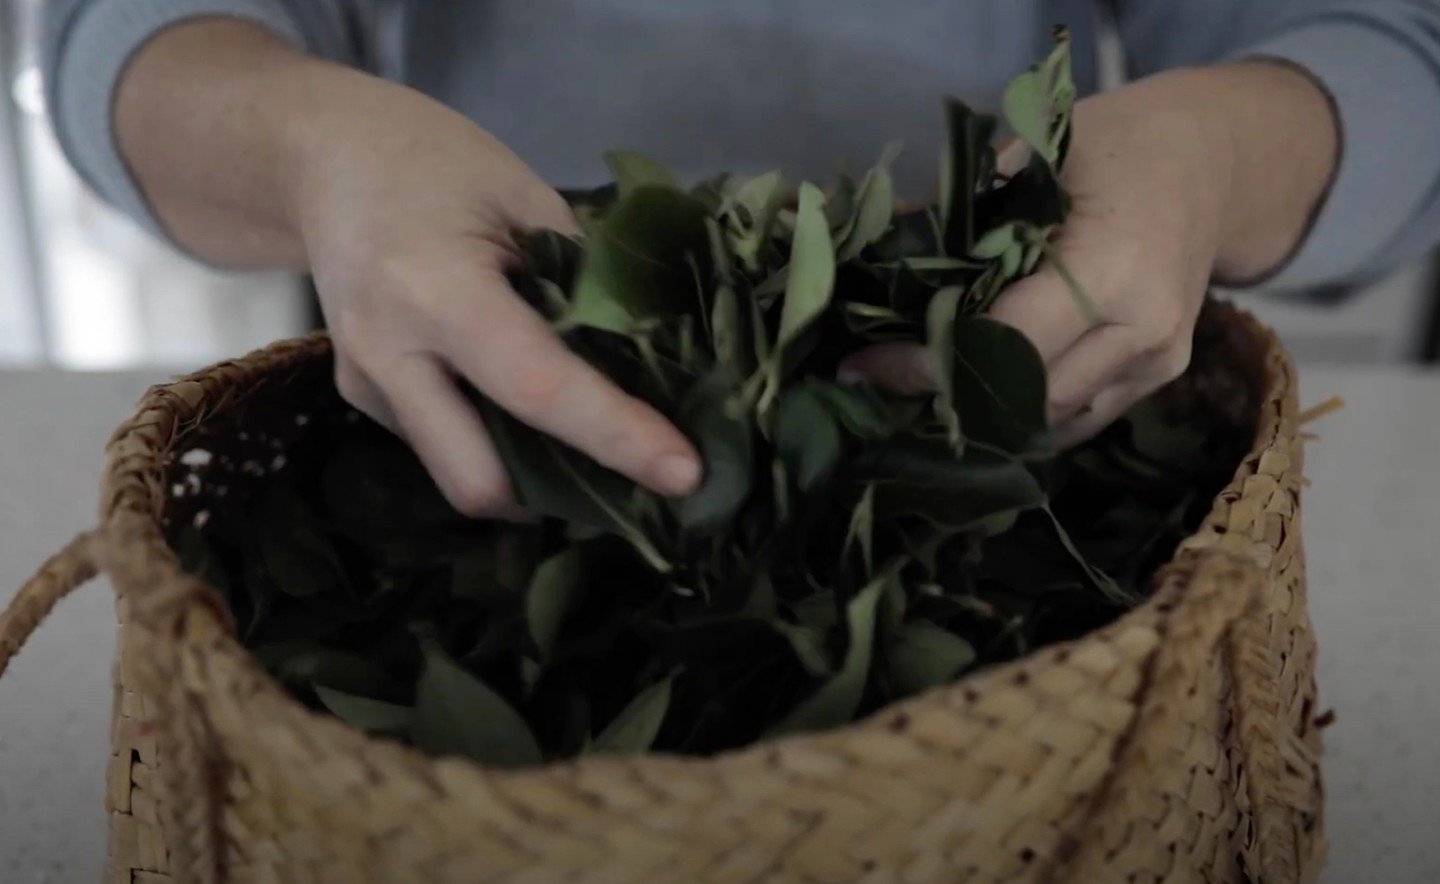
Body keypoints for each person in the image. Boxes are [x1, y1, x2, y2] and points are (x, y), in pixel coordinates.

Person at [42, 1, 1440, 516]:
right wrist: (305, 144)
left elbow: (1394, 64)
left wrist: (1203, 152)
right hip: (505, 382)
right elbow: (120, 34)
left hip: (971, 405)